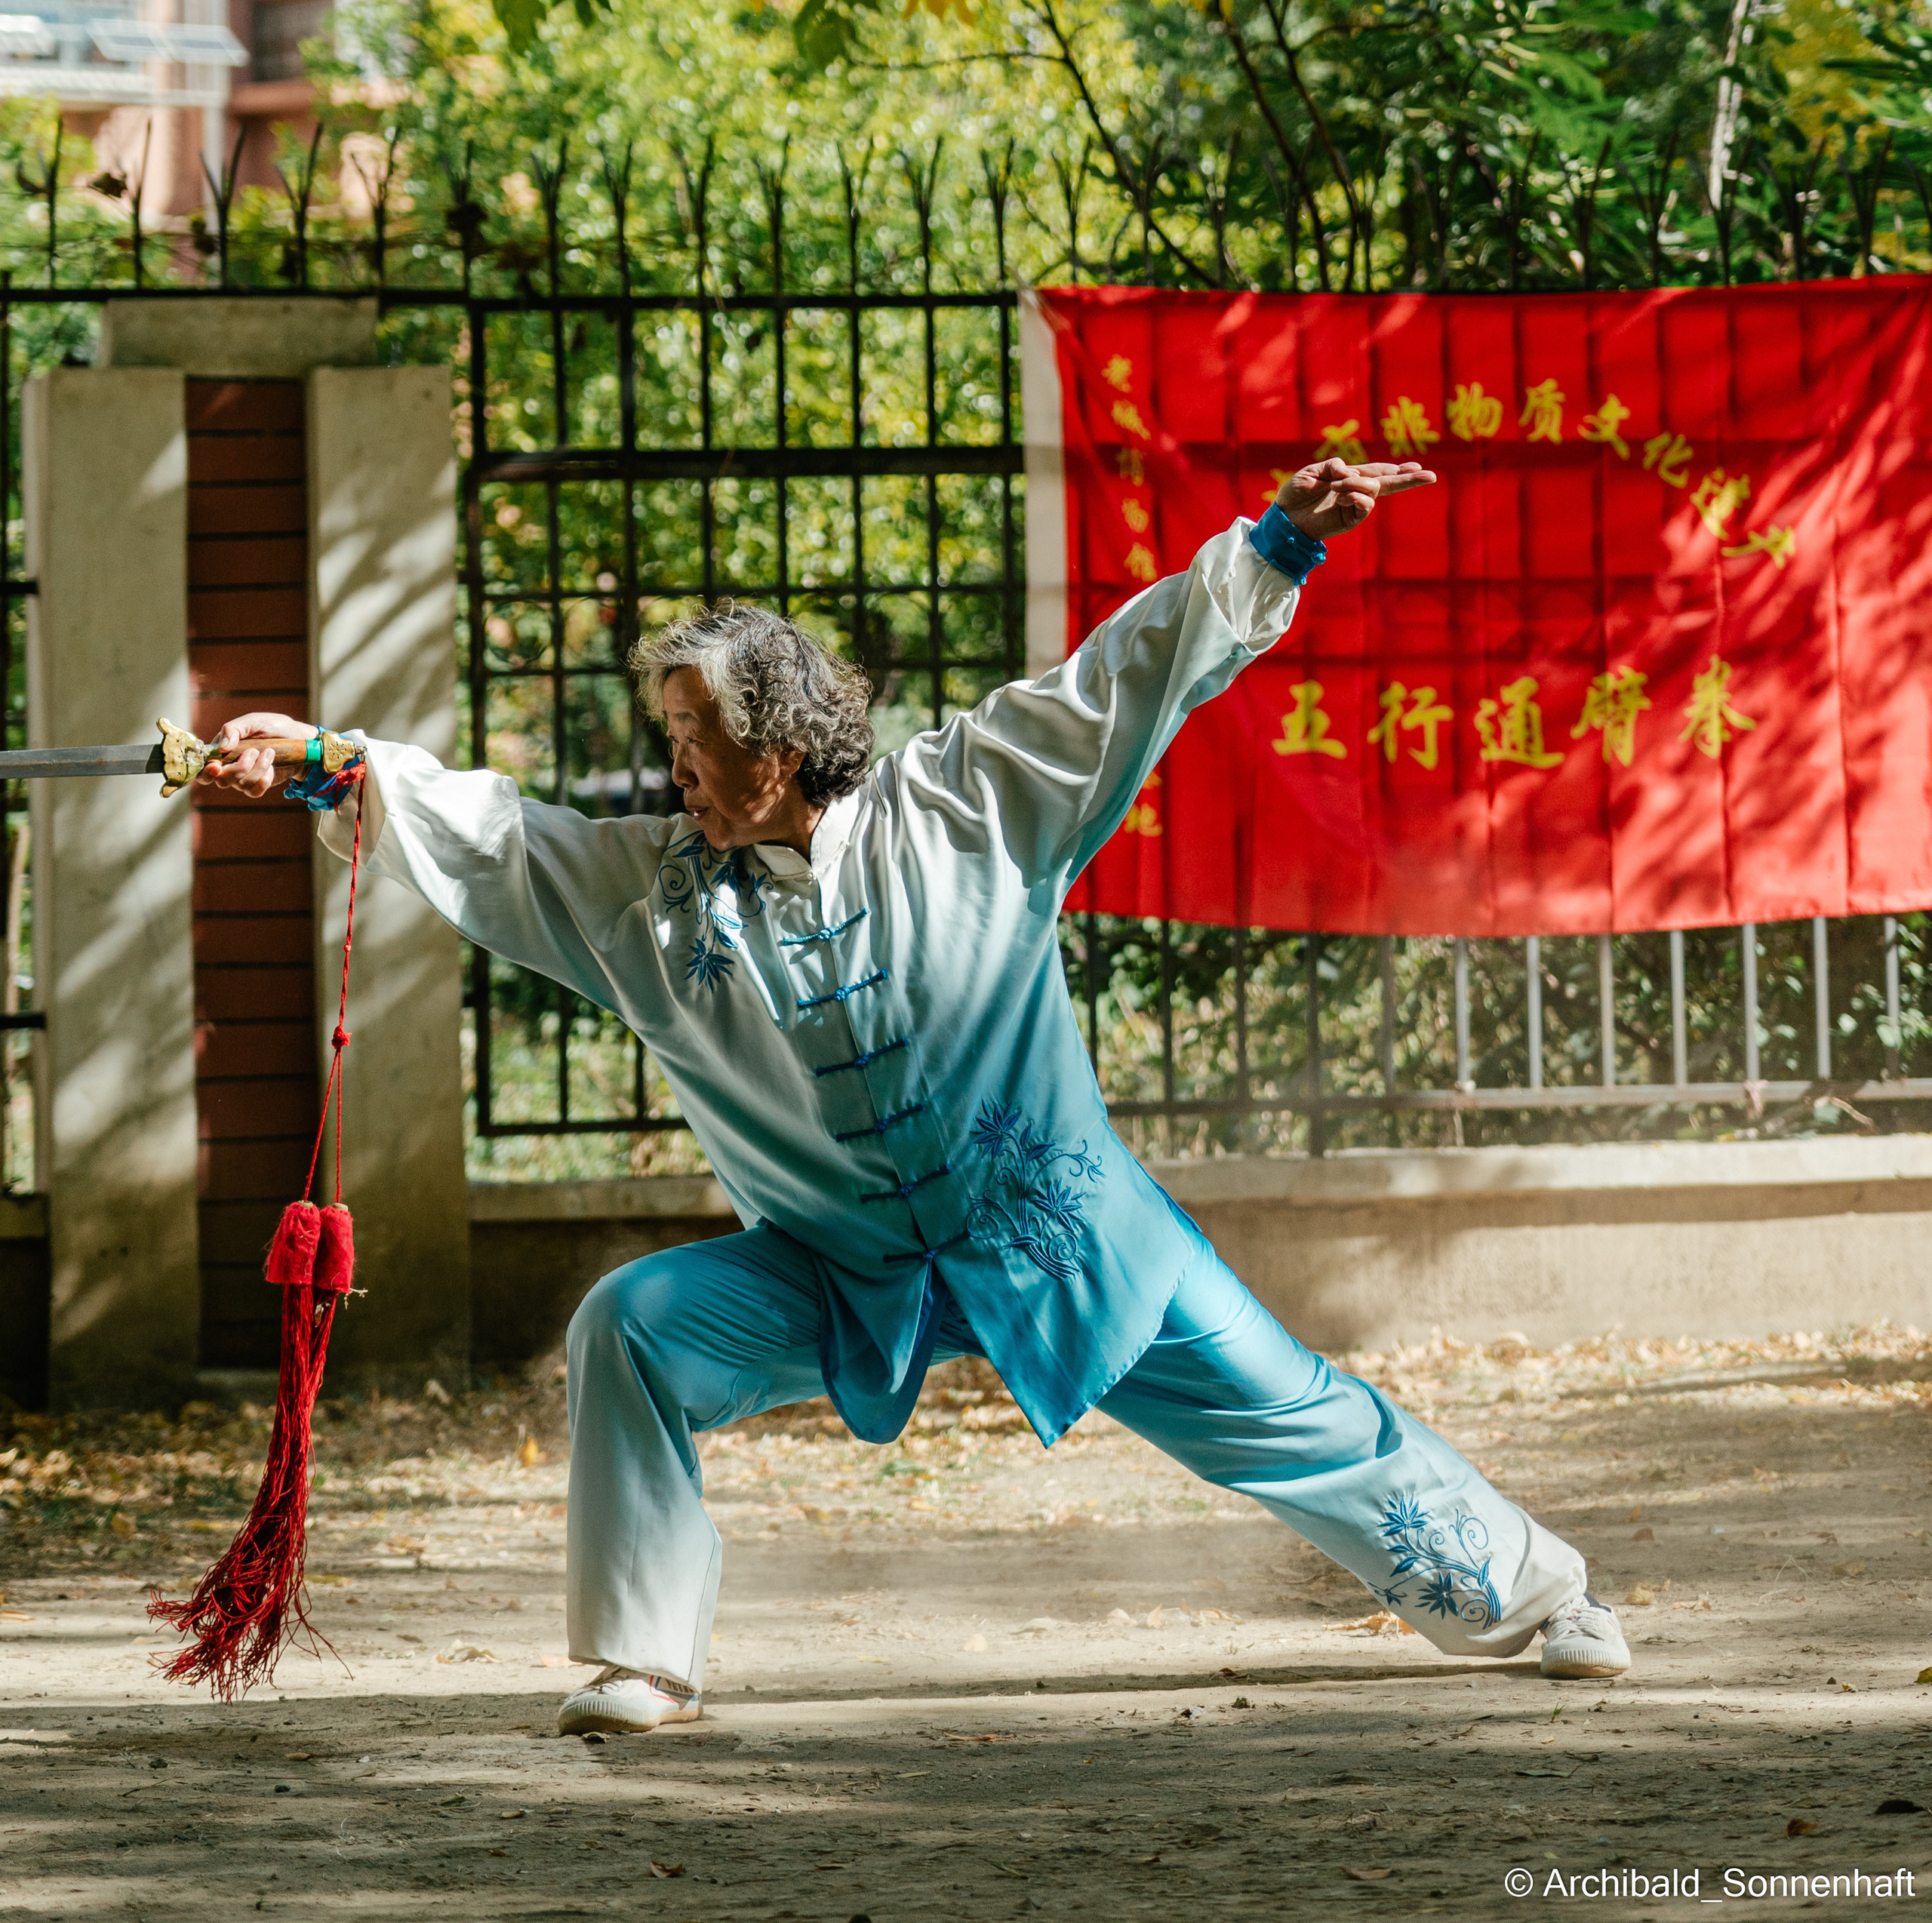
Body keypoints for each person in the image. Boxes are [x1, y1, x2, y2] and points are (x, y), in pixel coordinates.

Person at [202, 455, 1629, 1731]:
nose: (673, 761)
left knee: (1291, 1408)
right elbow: (500, 836)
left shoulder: (970, 801)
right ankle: (643, 1660)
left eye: (696, 731)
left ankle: (1539, 1590)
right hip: (838, 1274)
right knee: (629, 1325)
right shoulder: (650, 897)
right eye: (670, 730)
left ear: (779, 743)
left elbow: (1126, 676)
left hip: (1066, 1235)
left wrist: (1277, 542)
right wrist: (328, 763)